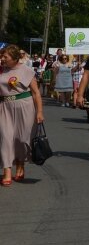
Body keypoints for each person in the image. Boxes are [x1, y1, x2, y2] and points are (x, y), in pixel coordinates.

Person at [0, 45, 45, 186]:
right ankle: (7, 171)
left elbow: (36, 93)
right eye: (1, 56)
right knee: (5, 137)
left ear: (14, 58)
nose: (2, 59)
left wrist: (39, 112)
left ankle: (20, 164)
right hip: (4, 107)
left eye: (5, 57)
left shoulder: (26, 70)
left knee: (22, 138)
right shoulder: (1, 70)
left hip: (24, 106)